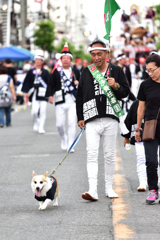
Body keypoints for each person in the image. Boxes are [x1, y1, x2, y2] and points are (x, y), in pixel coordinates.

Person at [76, 39, 130, 201]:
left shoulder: (117, 70)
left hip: (110, 117)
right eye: (93, 54)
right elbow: (79, 95)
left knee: (108, 155)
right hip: (91, 117)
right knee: (91, 154)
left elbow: (125, 93)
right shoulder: (86, 71)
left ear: (107, 53)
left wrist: (116, 86)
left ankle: (108, 187)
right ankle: (92, 190)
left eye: (99, 54)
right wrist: (80, 116)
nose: (96, 57)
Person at [135, 53, 160, 204]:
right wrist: (138, 128)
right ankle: (153, 190)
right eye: (147, 71)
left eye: (152, 70)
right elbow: (141, 108)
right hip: (150, 126)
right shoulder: (145, 85)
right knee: (151, 161)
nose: (149, 73)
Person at [45, 50, 80, 152]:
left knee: (71, 122)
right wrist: (50, 95)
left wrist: (78, 83)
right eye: (63, 58)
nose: (65, 60)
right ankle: (64, 138)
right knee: (59, 124)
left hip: (72, 100)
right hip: (60, 99)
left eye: (67, 58)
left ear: (70, 60)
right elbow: (50, 84)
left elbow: (83, 83)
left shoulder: (76, 71)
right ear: (61, 60)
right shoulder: (56, 71)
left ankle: (71, 145)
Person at [122, 100, 147, 191]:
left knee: (154, 160)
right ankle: (142, 182)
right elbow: (129, 119)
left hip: (155, 136)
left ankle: (152, 181)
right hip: (139, 136)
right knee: (141, 158)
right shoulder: (136, 103)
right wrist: (126, 137)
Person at [22, 55, 50, 134]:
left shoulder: (45, 72)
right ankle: (37, 122)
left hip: (43, 94)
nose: (37, 61)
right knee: (34, 111)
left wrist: (50, 93)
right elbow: (27, 82)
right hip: (34, 93)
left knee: (43, 111)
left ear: (42, 62)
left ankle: (41, 127)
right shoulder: (31, 71)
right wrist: (25, 92)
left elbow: (49, 83)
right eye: (36, 60)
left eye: (39, 60)